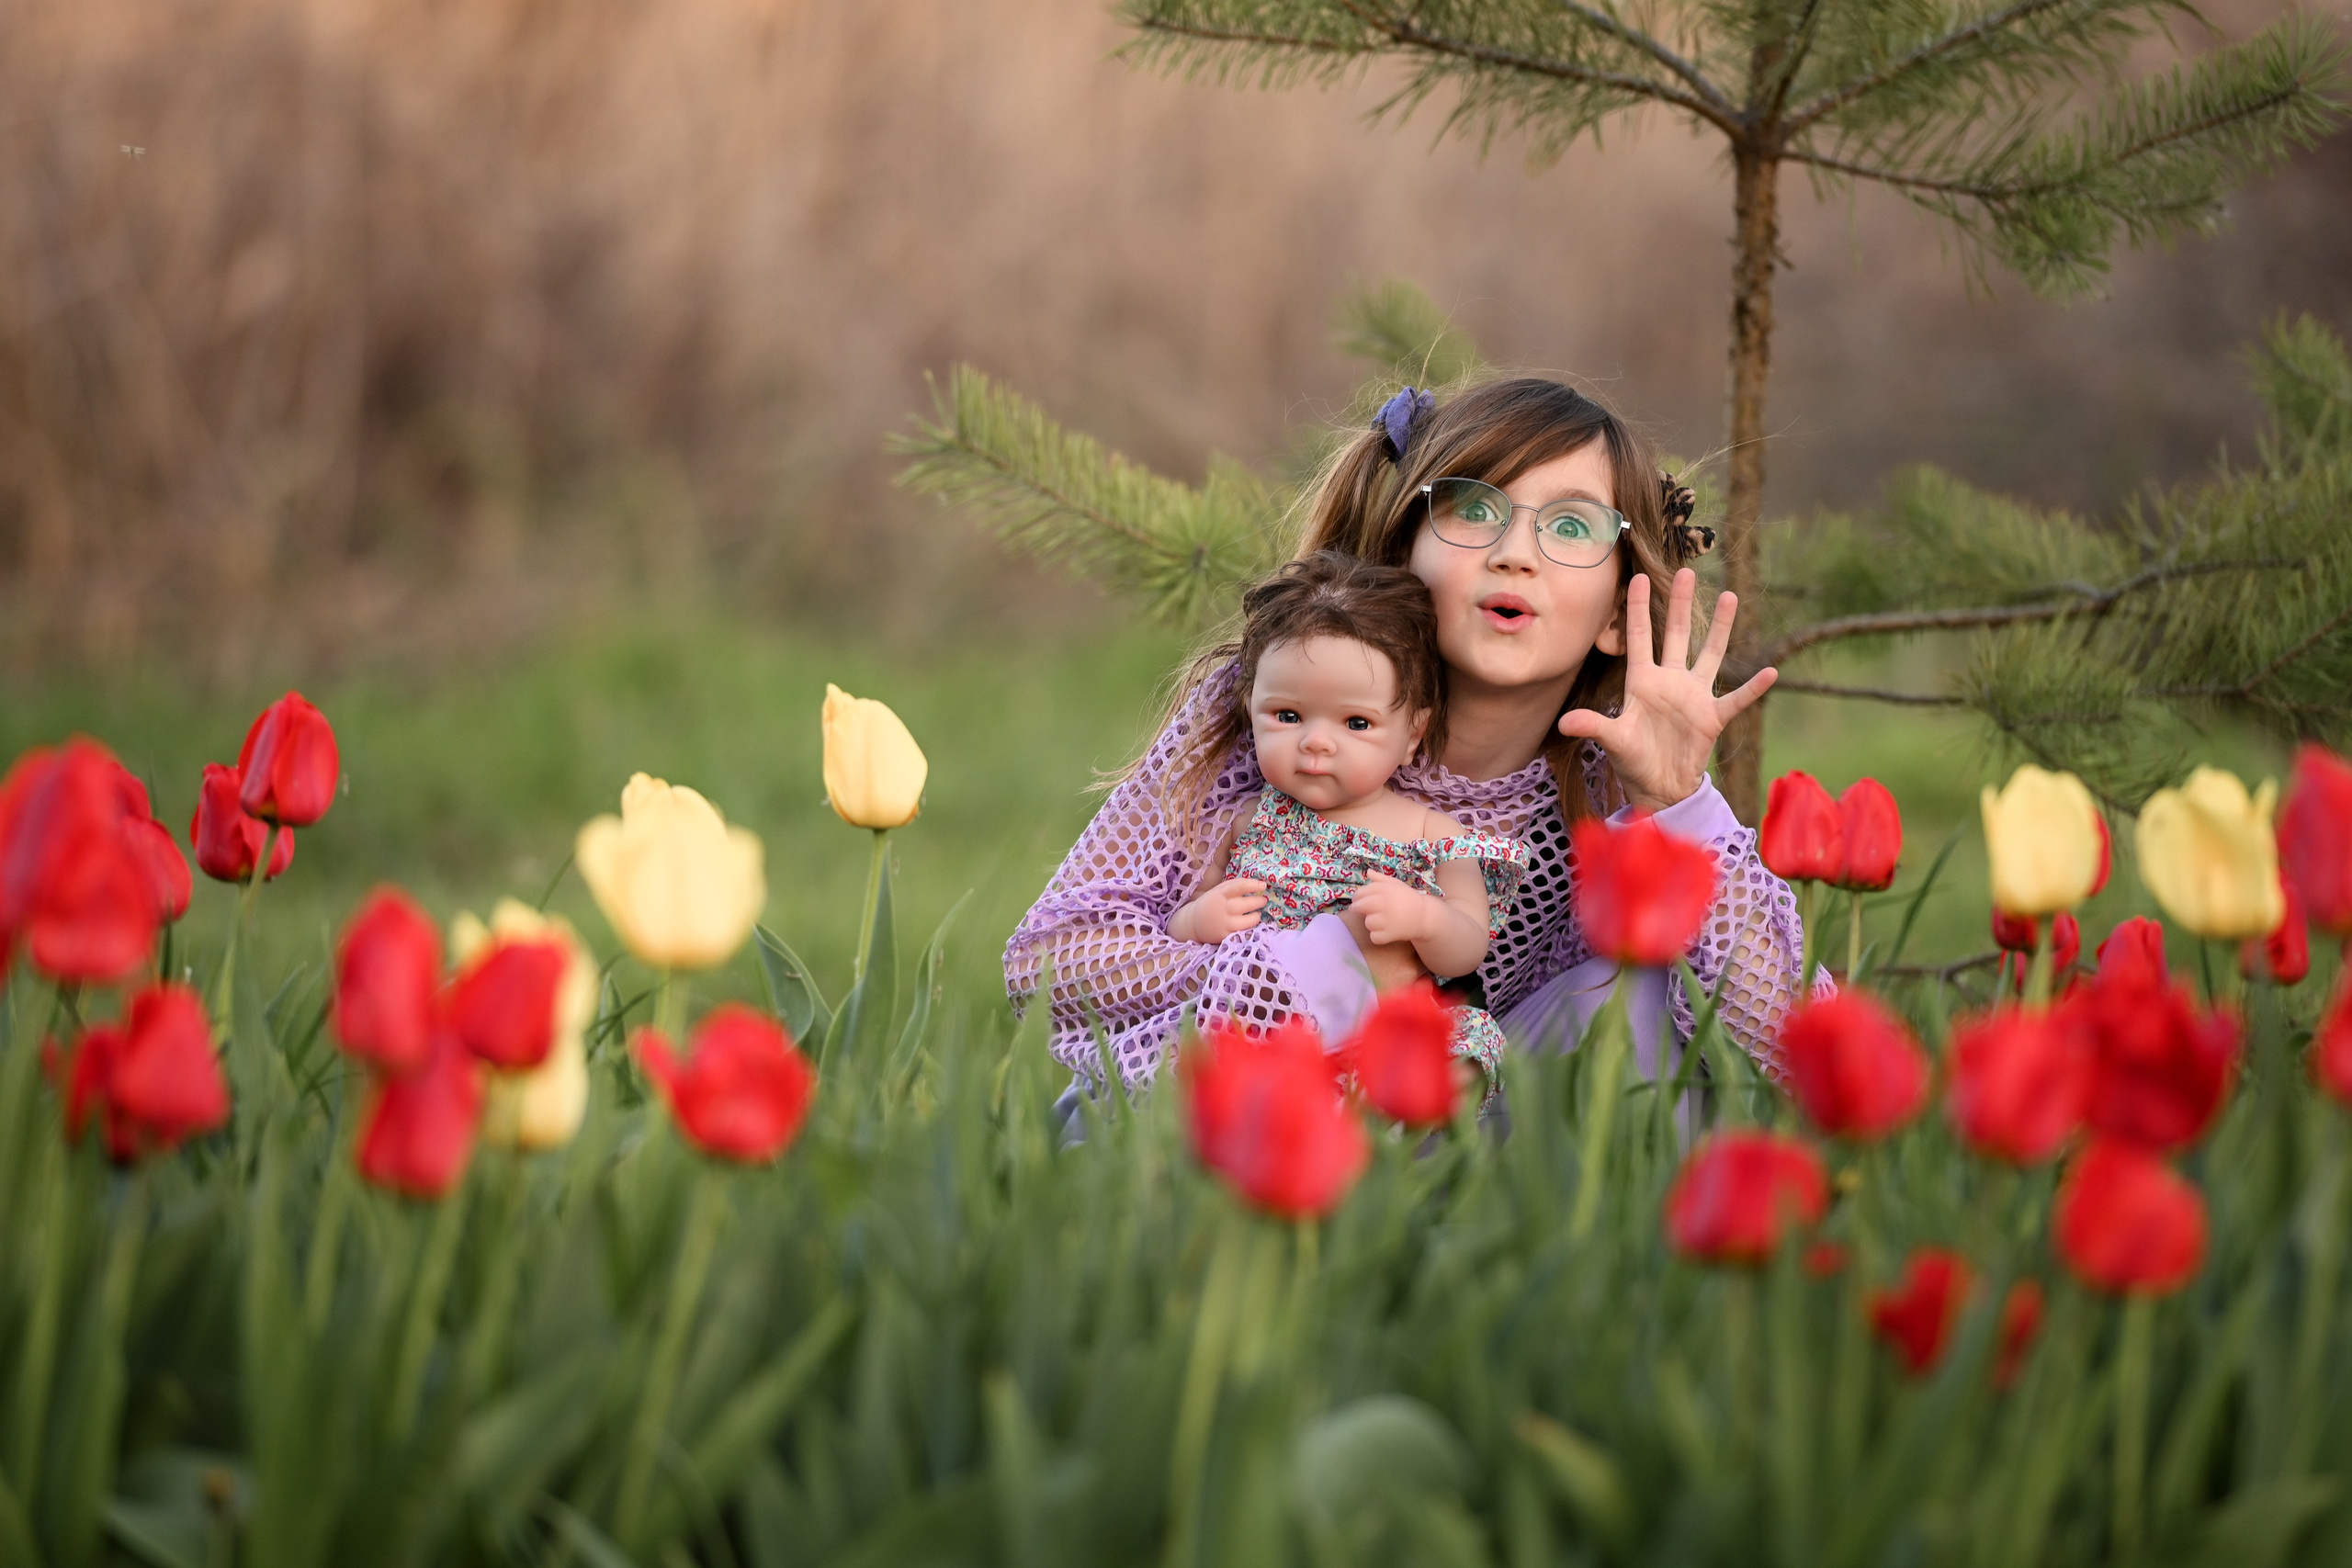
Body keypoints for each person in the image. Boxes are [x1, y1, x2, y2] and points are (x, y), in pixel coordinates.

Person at [1007, 376, 1816, 1092]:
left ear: (1615, 611)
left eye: (1570, 528)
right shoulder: (1276, 704)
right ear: (1405, 549)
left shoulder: (1613, 776)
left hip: (1479, 1142)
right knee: (1319, 954)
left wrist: (1681, 805)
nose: (1514, 555)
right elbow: (1044, 961)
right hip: (1250, 1108)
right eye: (1474, 508)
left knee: (1642, 998)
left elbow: (1788, 1051)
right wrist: (1286, 968)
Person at [1162, 549, 1526, 1083]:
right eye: (1287, 716)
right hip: (1270, 1031)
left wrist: (1425, 919)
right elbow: (1182, 918)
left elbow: (1468, 950)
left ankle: (1412, 1145)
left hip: (1383, 1033)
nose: (1315, 742)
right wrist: (1199, 920)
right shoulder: (1244, 820)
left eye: (1356, 723)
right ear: (1250, 711)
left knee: (1458, 1062)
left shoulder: (1435, 835)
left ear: (1413, 736)